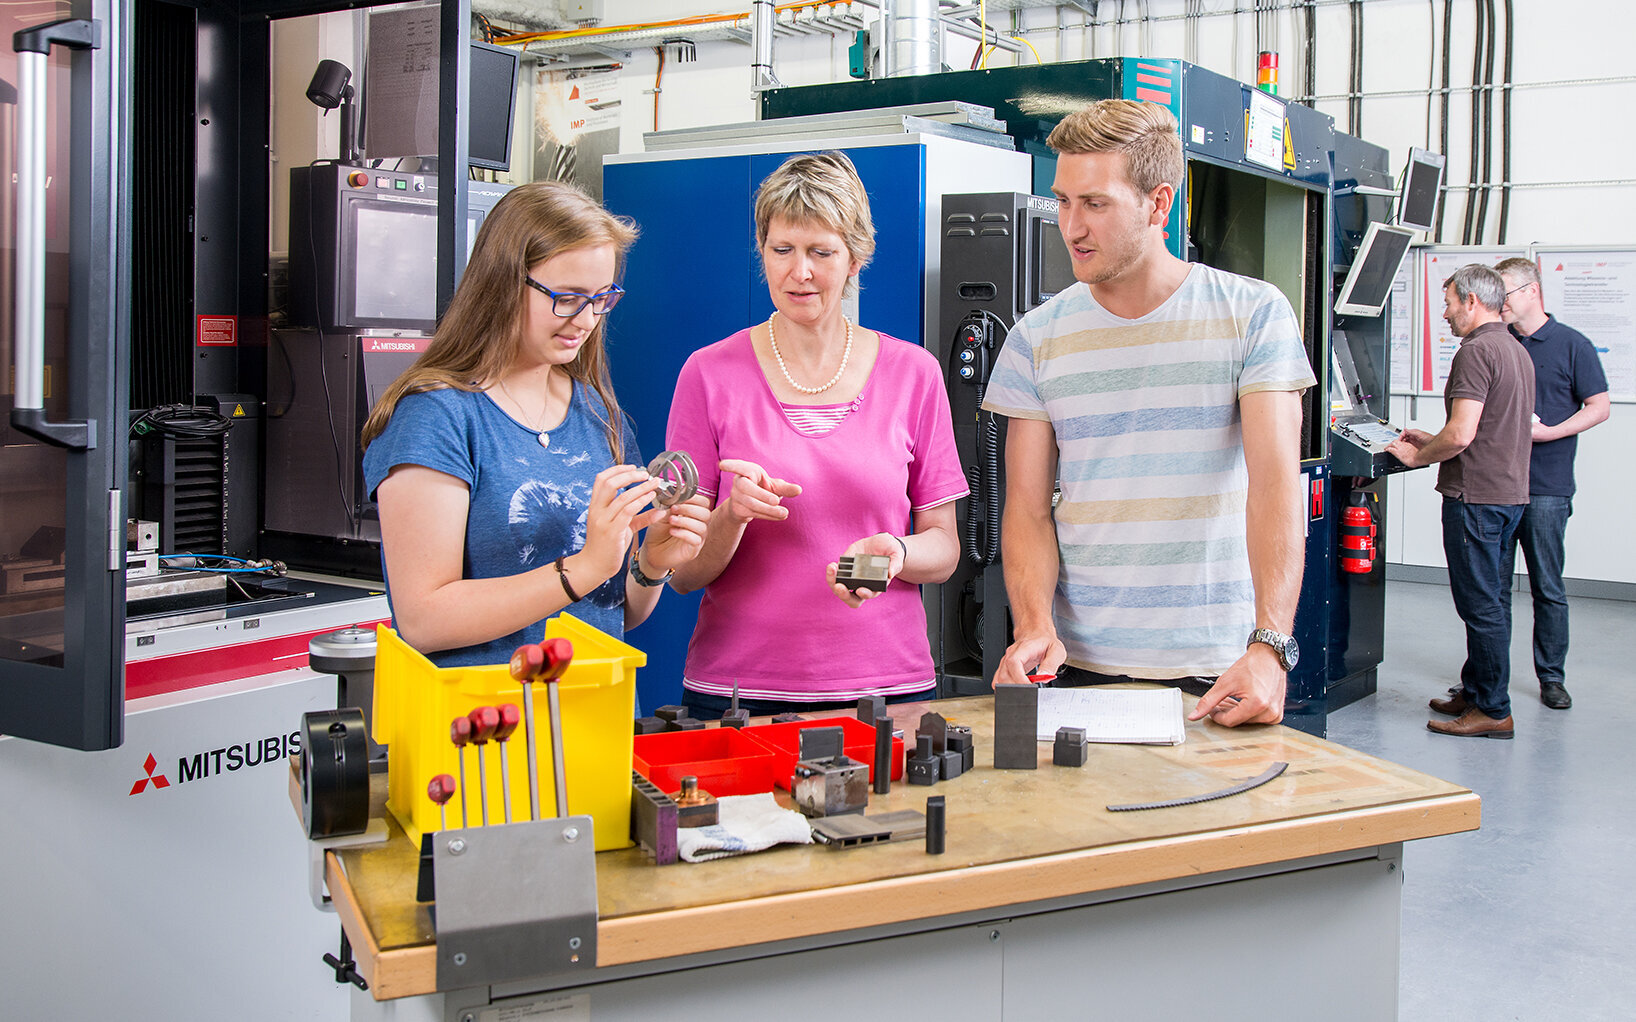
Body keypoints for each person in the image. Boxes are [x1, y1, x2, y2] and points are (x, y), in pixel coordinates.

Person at [981, 99, 1314, 728]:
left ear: (1159, 204)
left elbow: (1274, 489)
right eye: (1063, 201)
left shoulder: (1252, 315)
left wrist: (1271, 646)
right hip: (1078, 668)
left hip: (1219, 669)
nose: (1071, 226)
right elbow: (1025, 509)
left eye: (1095, 204)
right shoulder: (1035, 339)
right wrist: (1033, 627)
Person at [664, 151, 966, 717]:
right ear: (763, 252)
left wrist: (894, 554)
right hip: (737, 693)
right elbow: (680, 573)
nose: (798, 272)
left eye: (820, 253)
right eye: (782, 250)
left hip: (885, 691)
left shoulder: (914, 373)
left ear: (855, 259)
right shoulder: (707, 374)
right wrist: (731, 514)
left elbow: (944, 548)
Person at [360, 182, 707, 668]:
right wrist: (583, 567)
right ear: (503, 284)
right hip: (488, 729)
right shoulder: (437, 418)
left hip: (596, 716)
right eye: (567, 297)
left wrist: (651, 564)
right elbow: (423, 621)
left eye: (602, 297)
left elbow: (613, 612)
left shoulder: (597, 414)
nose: (587, 319)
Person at [1386, 264, 1534, 739]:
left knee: (1479, 606)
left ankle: (1493, 709)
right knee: (1492, 601)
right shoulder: (1514, 348)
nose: (1445, 313)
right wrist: (1437, 439)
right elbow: (1486, 430)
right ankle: (1476, 689)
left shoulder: (1475, 351)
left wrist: (1419, 456)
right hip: (1508, 494)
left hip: (1476, 498)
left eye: (1448, 302)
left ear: (1472, 301)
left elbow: (1462, 433)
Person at [1494, 256, 1610, 710]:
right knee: (1492, 591)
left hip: (1546, 488)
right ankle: (1489, 679)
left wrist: (1550, 432)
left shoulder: (1571, 344)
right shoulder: (1497, 343)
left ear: (1531, 292)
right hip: (1497, 487)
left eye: (1503, 294)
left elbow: (1598, 407)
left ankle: (1551, 678)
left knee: (1547, 586)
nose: (1497, 304)